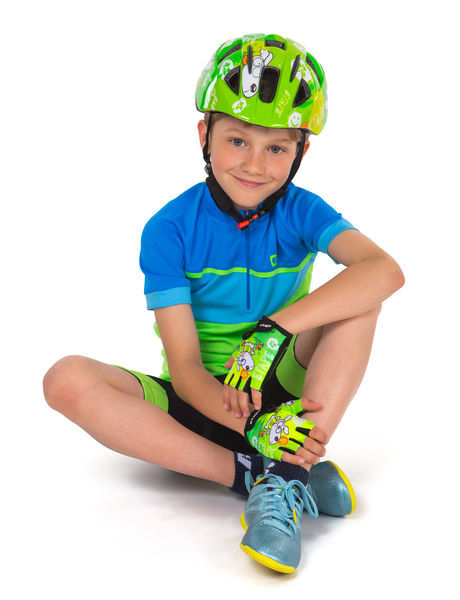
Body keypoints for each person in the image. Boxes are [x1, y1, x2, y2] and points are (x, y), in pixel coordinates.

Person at [43, 33, 404, 574]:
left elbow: (384, 271)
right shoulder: (169, 228)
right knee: (65, 379)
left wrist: (272, 330)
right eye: (237, 140)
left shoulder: (302, 211)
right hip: (200, 402)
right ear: (204, 136)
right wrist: (255, 427)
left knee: (361, 300)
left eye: (276, 148)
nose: (254, 164)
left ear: (301, 154)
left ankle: (288, 474)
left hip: (281, 388)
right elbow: (187, 370)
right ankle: (262, 472)